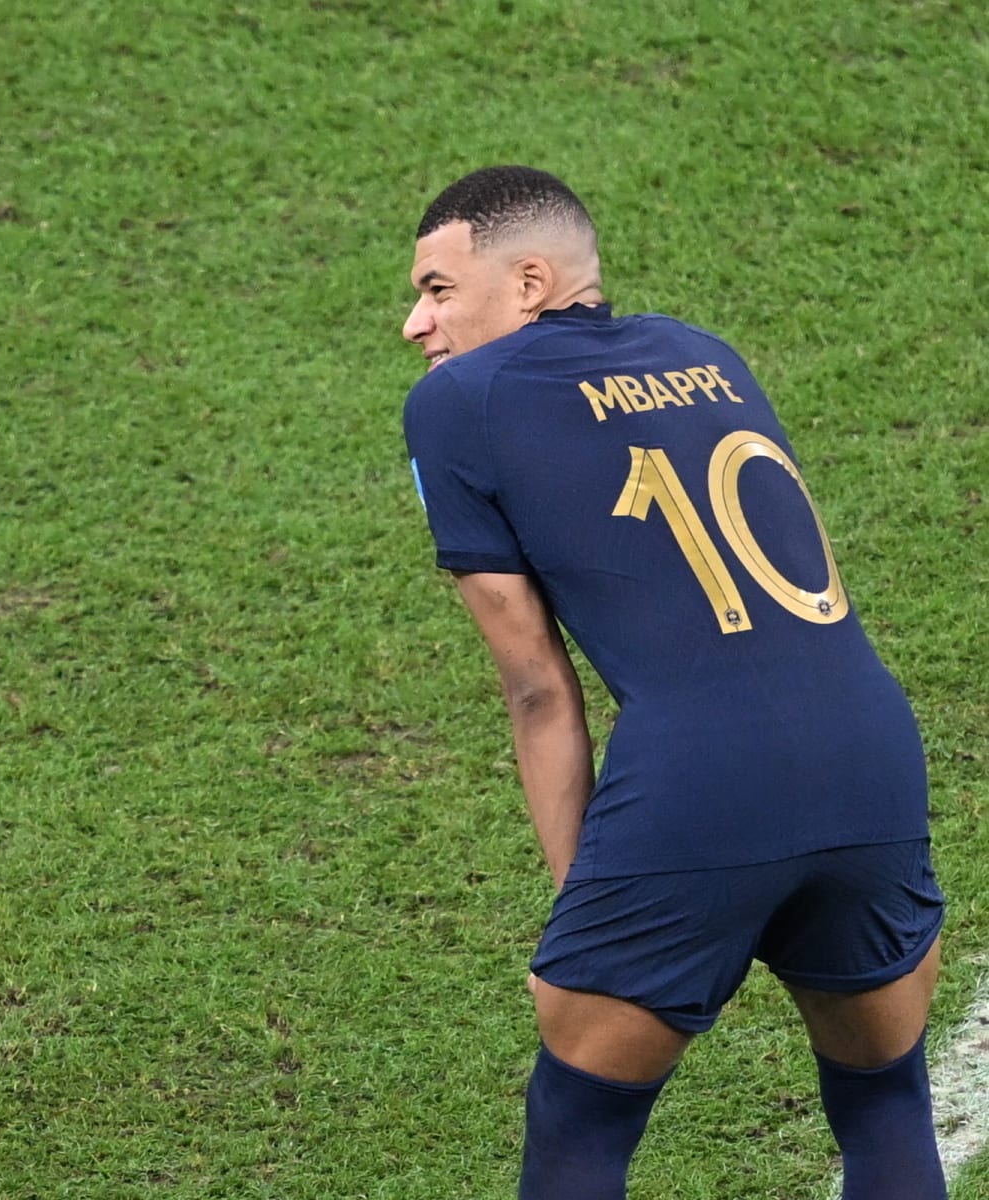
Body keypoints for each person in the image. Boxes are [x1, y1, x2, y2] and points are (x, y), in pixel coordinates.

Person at [398, 165, 944, 1198]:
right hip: (870, 755)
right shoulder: (706, 354)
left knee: (578, 1125)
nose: (417, 327)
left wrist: (581, 891)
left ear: (526, 284)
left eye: (436, 290)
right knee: (883, 1103)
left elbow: (538, 690)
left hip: (702, 783)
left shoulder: (456, 404)